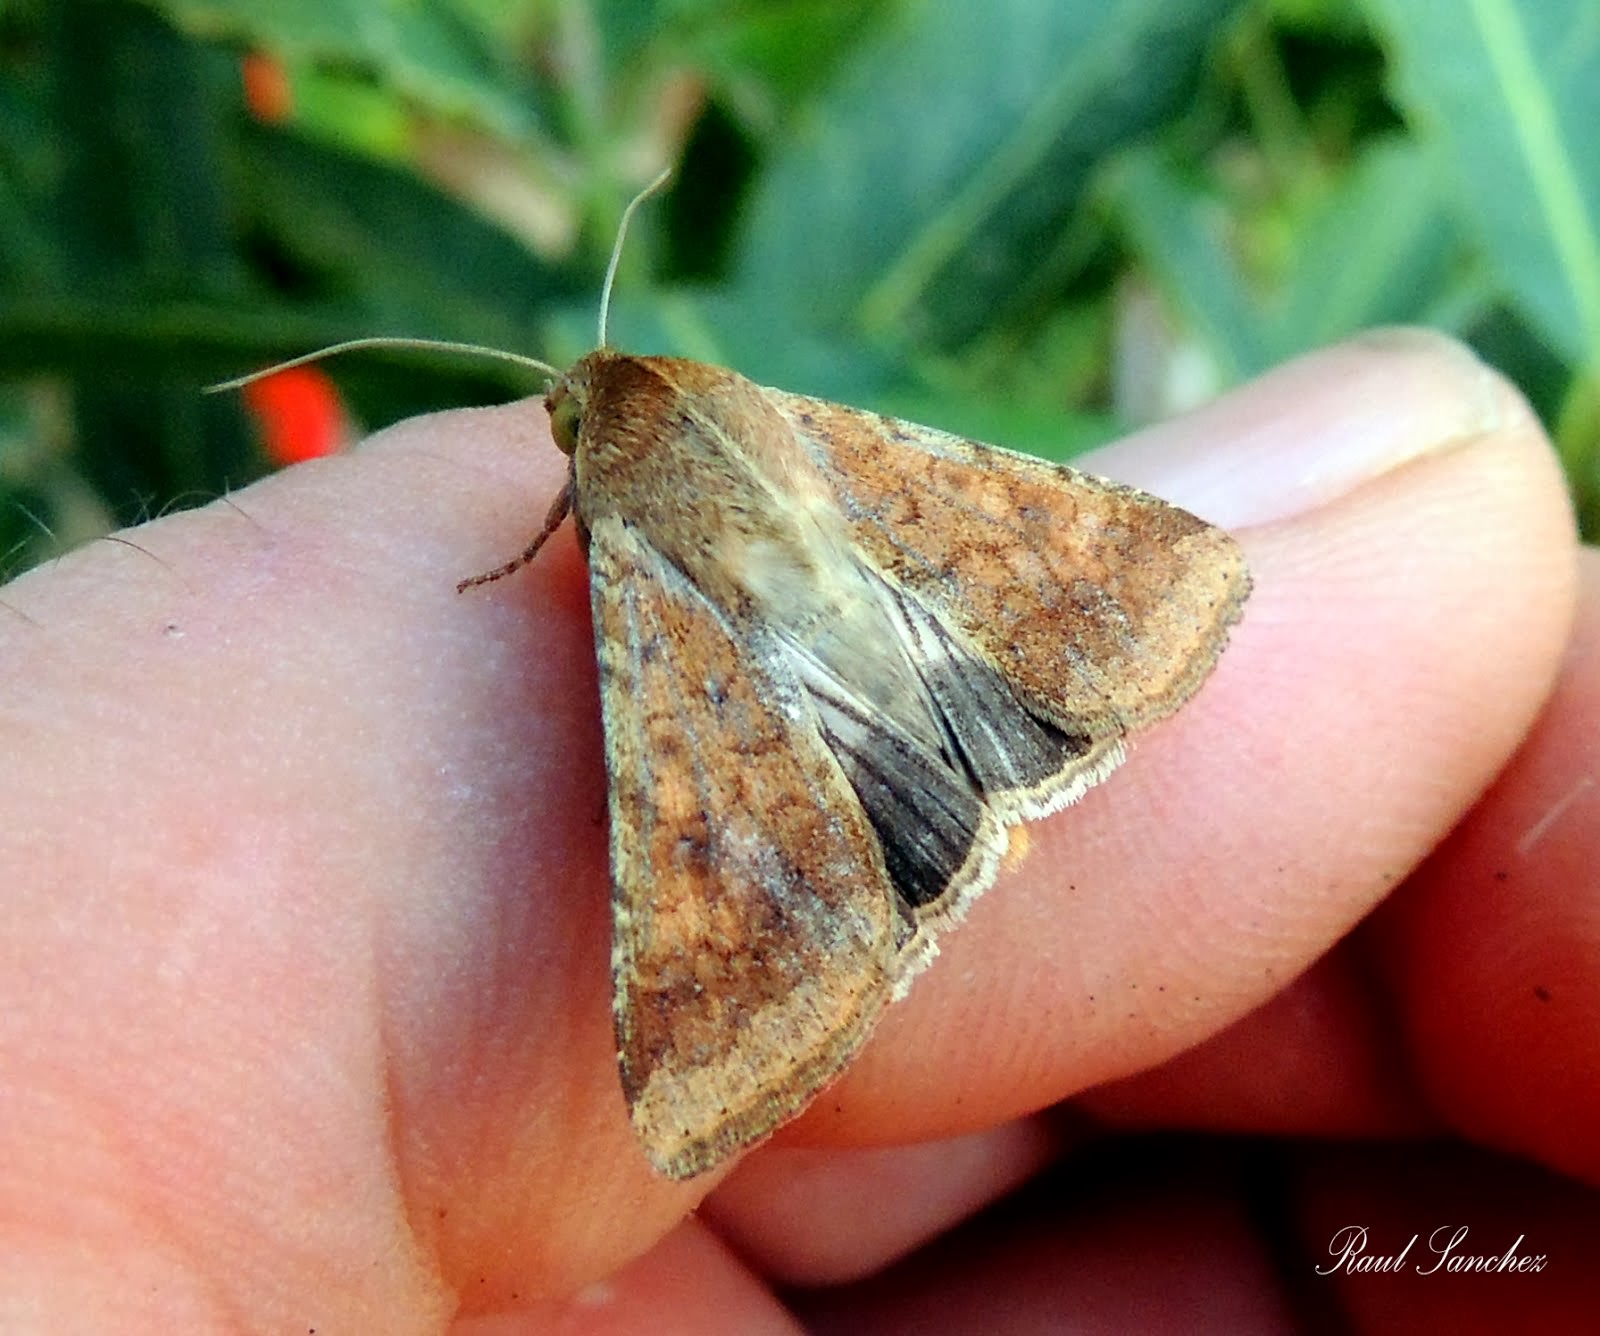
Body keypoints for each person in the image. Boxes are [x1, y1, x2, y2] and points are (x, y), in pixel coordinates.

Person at [0, 329, 1590, 1330]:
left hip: (746, 684)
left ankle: (902, 832)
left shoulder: (603, 507)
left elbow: (564, 556)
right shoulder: (728, 414)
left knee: (725, 899)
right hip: (943, 577)